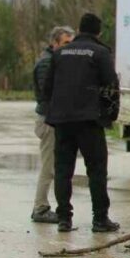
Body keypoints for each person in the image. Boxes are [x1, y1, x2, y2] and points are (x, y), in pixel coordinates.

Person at [43, 13, 121, 233]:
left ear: (78, 29)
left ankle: (64, 219)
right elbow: (111, 87)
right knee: (96, 170)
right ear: (99, 32)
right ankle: (100, 219)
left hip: (63, 121)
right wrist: (109, 116)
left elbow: (47, 88)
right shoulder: (101, 53)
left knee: (63, 171)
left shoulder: (59, 54)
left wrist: (53, 111)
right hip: (89, 122)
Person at [30, 26, 76, 223]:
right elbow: (47, 93)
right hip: (48, 121)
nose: (69, 47)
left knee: (54, 167)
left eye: (71, 43)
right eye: (66, 43)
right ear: (55, 43)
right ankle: (40, 208)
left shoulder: (54, 60)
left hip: (53, 119)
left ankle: (43, 206)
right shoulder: (47, 62)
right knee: (48, 167)